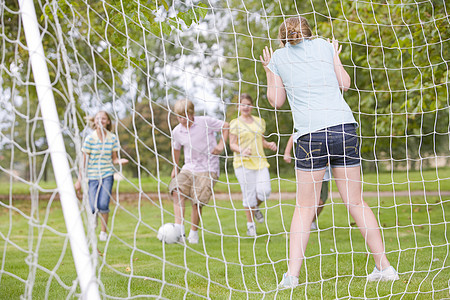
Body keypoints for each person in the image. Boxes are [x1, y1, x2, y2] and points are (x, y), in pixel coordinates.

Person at [260, 16, 399, 287]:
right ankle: (386, 267)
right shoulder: (324, 45)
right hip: (343, 128)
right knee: (356, 202)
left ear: (282, 37)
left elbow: (276, 101)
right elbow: (344, 84)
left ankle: (291, 277)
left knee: (304, 207)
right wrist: (335, 56)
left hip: (310, 135)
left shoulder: (277, 56)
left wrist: (268, 69)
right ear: (310, 33)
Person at [169, 99, 229, 244]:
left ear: (192, 113)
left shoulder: (205, 122)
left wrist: (221, 145)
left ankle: (193, 234)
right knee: (176, 189)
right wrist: (175, 167)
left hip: (208, 168)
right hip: (189, 168)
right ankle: (179, 232)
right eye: (179, 117)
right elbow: (176, 149)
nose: (182, 120)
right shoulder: (177, 131)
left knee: (197, 200)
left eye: (185, 116)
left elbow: (226, 126)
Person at [75, 111, 128, 242]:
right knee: (93, 206)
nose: (101, 120)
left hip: (107, 175)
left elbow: (114, 159)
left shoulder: (112, 138)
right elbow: (84, 162)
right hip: (93, 176)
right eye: (98, 118)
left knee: (103, 204)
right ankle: (94, 220)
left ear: (108, 121)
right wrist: (79, 180)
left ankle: (103, 233)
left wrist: (119, 161)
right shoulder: (90, 138)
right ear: (94, 121)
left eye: (104, 118)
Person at [229, 93, 277, 236]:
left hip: (260, 162)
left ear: (252, 106)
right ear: (238, 106)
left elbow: (261, 141)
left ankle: (255, 208)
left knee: (265, 191)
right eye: (242, 104)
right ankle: (251, 226)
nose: (245, 107)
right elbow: (232, 144)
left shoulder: (259, 121)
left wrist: (269, 144)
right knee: (248, 195)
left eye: (248, 104)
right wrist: (242, 150)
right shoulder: (235, 123)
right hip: (243, 163)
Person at [284, 135, 331, 230]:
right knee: (307, 201)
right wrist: (287, 152)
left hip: (325, 173)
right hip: (309, 170)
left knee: (322, 201)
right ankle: (304, 223)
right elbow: (293, 136)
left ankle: (312, 220)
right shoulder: (308, 128)